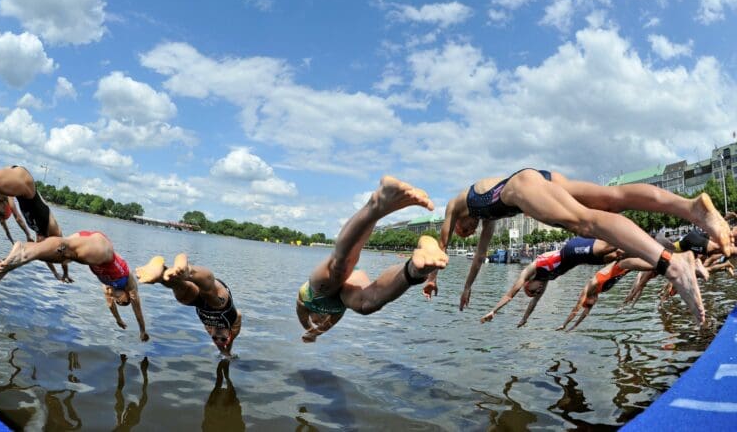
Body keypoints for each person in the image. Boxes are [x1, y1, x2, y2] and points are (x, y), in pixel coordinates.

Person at [429, 168, 733, 325]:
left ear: (457, 222)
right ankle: (691, 208)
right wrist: (467, 287)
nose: (469, 232)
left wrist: (431, 277)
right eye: (468, 232)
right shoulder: (486, 218)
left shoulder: (456, 204)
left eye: (464, 231)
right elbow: (480, 256)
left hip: (523, 185)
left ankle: (671, 263)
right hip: (538, 178)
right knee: (611, 198)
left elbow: (442, 246)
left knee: (586, 222)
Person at [295, 176, 449, 342]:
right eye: (320, 323)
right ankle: (415, 269)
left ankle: (376, 206)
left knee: (339, 266)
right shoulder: (335, 315)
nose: (319, 322)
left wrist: (308, 329)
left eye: (316, 321)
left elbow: (304, 320)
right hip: (344, 294)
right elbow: (324, 327)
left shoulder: (304, 304)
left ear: (311, 316)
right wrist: (314, 334)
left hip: (320, 287)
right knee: (367, 305)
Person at [0, 231, 149, 341]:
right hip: (103, 250)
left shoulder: (108, 290)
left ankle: (7, 259)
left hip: (88, 249)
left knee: (57, 255)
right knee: (66, 249)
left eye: (119, 302)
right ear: (127, 295)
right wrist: (142, 330)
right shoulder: (129, 284)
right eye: (122, 301)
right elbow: (138, 310)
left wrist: (118, 319)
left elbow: (110, 305)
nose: (118, 300)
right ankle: (6, 267)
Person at [479, 237, 621, 327]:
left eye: (534, 291)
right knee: (618, 255)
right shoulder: (545, 280)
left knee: (611, 246)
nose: (538, 291)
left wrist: (493, 310)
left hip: (572, 250)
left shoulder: (532, 269)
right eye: (537, 292)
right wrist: (524, 319)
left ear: (528, 284)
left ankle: (631, 236)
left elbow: (510, 294)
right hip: (581, 259)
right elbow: (534, 303)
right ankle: (639, 248)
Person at [0, 161, 70, 282]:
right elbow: (63, 254)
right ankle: (5, 264)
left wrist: (56, 274)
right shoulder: (54, 233)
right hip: (25, 184)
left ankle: (3, 265)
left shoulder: (40, 236)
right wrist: (64, 273)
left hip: (21, 186)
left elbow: (44, 255)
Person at [136, 253, 242, 355]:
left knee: (183, 294)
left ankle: (161, 274)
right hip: (219, 296)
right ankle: (187, 270)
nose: (218, 336)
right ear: (229, 334)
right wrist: (228, 351)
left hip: (199, 303)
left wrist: (223, 353)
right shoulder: (232, 324)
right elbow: (239, 315)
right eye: (223, 338)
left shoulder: (209, 328)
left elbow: (219, 341)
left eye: (214, 338)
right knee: (210, 296)